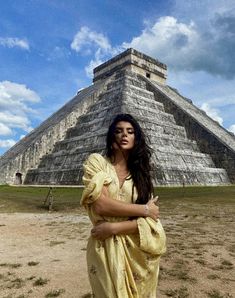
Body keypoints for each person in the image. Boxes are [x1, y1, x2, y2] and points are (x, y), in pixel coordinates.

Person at [81, 113, 166, 298]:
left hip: (136, 251)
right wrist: (145, 209)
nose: (124, 135)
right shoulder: (98, 163)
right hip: (104, 249)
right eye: (118, 131)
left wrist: (113, 227)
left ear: (136, 138)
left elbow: (152, 224)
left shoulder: (141, 175)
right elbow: (101, 206)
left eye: (130, 131)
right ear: (112, 136)